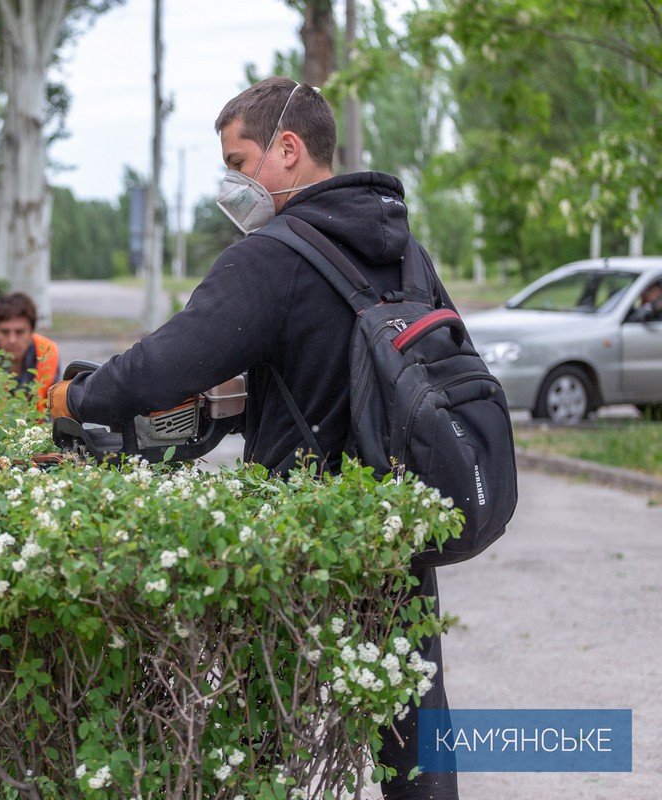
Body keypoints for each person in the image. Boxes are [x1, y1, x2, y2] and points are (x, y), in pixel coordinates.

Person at [48, 76, 460, 799]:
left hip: (298, 535)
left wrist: (76, 395)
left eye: (238, 163)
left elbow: (163, 363)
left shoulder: (272, 255)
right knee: (414, 735)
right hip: (393, 521)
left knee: (258, 733)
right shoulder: (407, 250)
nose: (231, 183)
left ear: (288, 150)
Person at [0, 292, 60, 411]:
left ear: (31, 331)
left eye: (19, 332)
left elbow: (56, 408)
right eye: (4, 332)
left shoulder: (48, 352)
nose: (12, 340)